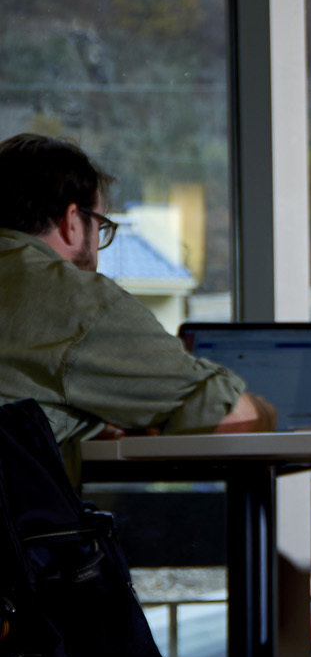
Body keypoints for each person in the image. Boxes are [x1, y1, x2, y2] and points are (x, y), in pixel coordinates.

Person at [0, 133, 271, 480]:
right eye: (100, 227)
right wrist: (266, 411)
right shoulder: (77, 302)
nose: (98, 244)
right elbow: (231, 418)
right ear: (71, 222)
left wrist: (88, 420)